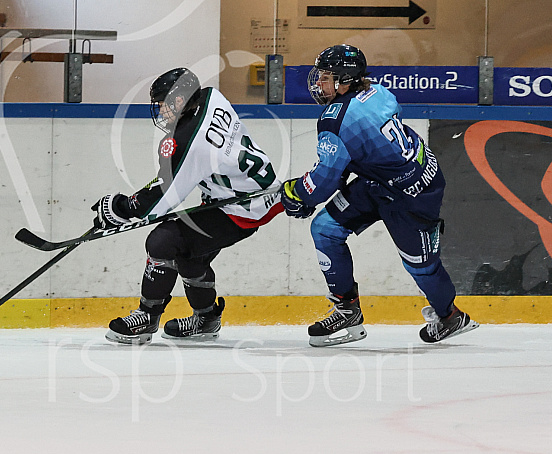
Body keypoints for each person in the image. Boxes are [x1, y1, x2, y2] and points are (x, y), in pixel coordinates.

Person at [280, 44, 479, 346]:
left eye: (326, 76)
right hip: (378, 182)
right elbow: (352, 156)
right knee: (325, 229)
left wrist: (297, 192)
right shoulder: (377, 90)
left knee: (421, 266)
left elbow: (322, 182)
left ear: (345, 80)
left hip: (414, 191)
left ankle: (450, 316)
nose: (318, 82)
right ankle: (347, 309)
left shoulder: (335, 121)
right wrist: (324, 184)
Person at [94, 67, 282, 345]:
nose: (160, 111)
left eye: (162, 104)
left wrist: (121, 208)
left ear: (180, 102)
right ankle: (206, 319)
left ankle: (147, 318)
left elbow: (162, 197)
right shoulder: (211, 98)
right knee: (190, 252)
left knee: (163, 240)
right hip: (254, 195)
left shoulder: (189, 141)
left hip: (241, 208)